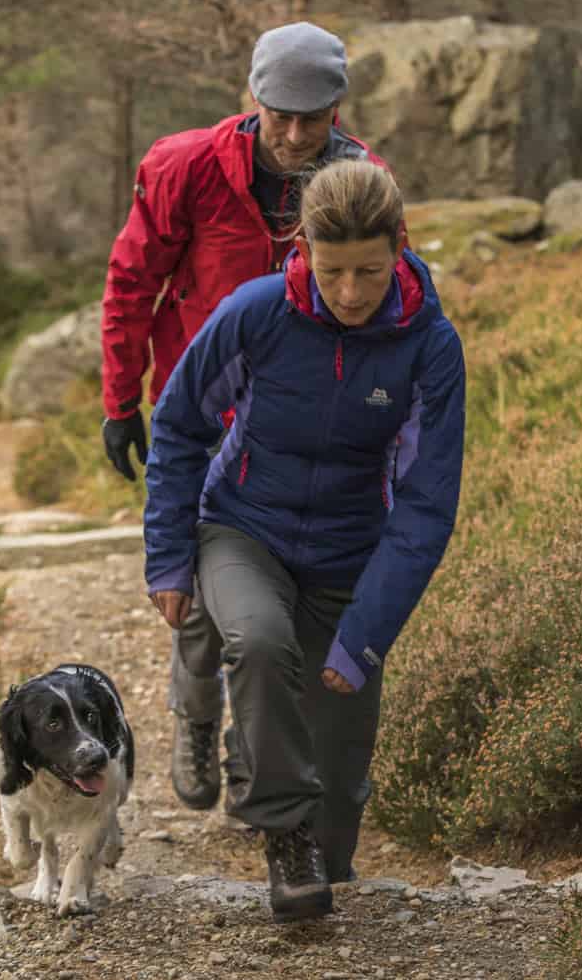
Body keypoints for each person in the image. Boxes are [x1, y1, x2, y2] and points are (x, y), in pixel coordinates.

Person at [142, 160, 465, 922]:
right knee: (258, 642)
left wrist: (364, 635)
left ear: (399, 247)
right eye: (331, 272)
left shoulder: (430, 346)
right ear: (303, 250)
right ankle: (284, 835)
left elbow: (425, 508)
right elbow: (181, 425)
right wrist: (169, 557)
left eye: (369, 272)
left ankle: (301, 816)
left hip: (350, 554)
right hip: (243, 527)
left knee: (340, 800)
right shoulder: (256, 314)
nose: (350, 293)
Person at [98, 21, 394, 815]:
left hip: (303, 422)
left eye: (313, 119)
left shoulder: (362, 181)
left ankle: (249, 746)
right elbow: (133, 281)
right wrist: (121, 400)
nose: (295, 137)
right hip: (201, 409)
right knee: (199, 592)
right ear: (253, 100)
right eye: (279, 117)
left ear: (338, 107)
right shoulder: (185, 167)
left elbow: (387, 297)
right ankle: (196, 718)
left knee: (278, 597)